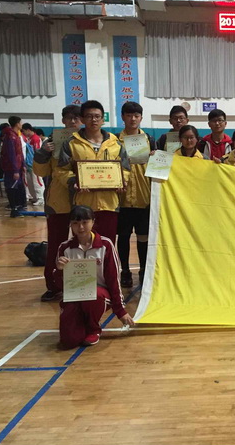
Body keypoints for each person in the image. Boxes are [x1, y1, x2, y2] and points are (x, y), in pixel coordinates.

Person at [55, 205, 135, 349]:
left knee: (94, 295)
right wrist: (60, 270)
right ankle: (81, 325)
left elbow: (113, 279)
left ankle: (93, 329)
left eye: (85, 222)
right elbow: (59, 284)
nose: (80, 227)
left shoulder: (105, 245)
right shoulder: (65, 248)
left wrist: (120, 311)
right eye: (75, 223)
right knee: (68, 341)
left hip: (100, 295)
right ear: (70, 225)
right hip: (74, 294)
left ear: (93, 221)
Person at [57, 100, 130, 241]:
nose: (94, 120)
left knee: (106, 245)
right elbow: (61, 170)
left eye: (97, 116)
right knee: (82, 246)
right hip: (82, 204)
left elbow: (126, 168)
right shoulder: (71, 143)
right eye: (89, 116)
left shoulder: (115, 143)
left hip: (109, 204)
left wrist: (122, 181)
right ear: (82, 119)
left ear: (103, 120)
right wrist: (74, 182)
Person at [33, 105, 82, 302]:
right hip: (58, 202)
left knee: (82, 246)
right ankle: (53, 285)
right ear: (63, 120)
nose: (73, 121)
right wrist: (43, 153)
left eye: (76, 118)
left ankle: (81, 285)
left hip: (84, 201)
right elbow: (40, 172)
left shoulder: (88, 140)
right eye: (69, 118)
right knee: (56, 245)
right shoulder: (52, 141)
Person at [116, 102, 156, 288]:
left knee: (143, 237)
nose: (133, 119)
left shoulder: (150, 140)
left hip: (143, 198)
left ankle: (143, 270)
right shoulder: (114, 141)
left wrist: (155, 157)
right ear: (122, 117)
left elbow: (158, 168)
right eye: (129, 115)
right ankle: (125, 271)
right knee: (123, 237)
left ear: (141, 118)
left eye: (136, 115)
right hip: (122, 199)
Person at [0, 118, 26, 217]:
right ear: (17, 124)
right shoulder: (10, 136)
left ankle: (19, 206)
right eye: (20, 122)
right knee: (12, 187)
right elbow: (11, 154)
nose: (22, 124)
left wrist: (23, 165)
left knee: (19, 187)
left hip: (18, 166)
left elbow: (20, 153)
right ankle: (13, 209)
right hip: (12, 168)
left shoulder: (16, 135)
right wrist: (15, 170)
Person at [22, 122, 45, 206]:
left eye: (24, 131)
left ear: (28, 130)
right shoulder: (29, 139)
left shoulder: (36, 138)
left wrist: (37, 163)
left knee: (37, 181)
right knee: (30, 182)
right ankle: (35, 197)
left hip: (35, 163)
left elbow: (38, 151)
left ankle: (41, 198)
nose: (23, 133)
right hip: (29, 164)